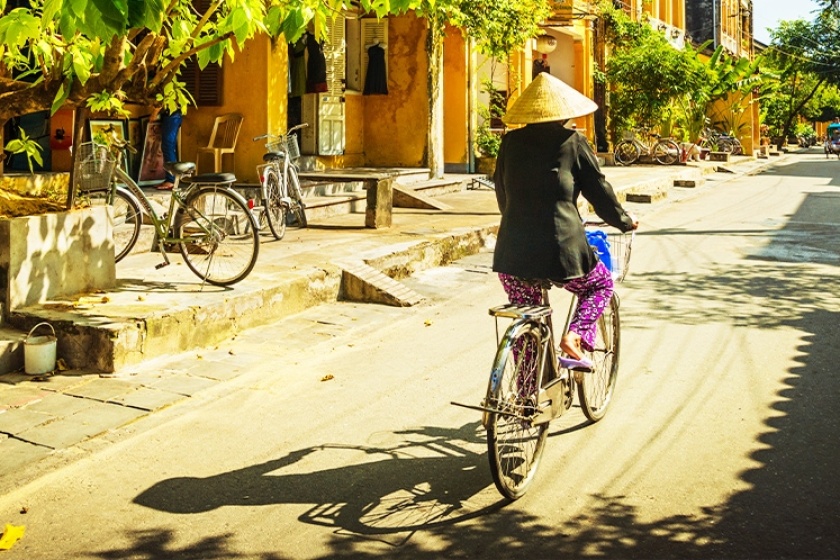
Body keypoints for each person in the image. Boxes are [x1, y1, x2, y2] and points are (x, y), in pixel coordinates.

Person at [492, 72, 638, 370]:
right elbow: (599, 192)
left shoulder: (510, 143)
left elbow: (503, 195)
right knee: (600, 285)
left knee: (528, 321)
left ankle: (525, 401)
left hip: (512, 252)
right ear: (563, 114)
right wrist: (624, 221)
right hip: (561, 251)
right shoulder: (573, 142)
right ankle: (575, 337)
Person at [151, 106, 182, 190]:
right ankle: (171, 178)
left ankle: (171, 180)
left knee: (168, 147)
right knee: (168, 147)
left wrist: (155, 112)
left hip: (172, 115)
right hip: (172, 115)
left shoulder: (168, 94)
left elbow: (159, 104)